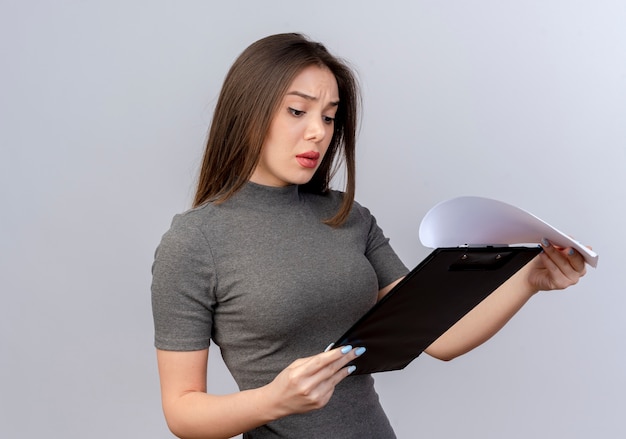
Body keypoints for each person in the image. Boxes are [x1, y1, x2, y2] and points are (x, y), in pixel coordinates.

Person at [151, 33, 587, 439]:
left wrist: (530, 280)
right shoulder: (195, 242)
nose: (318, 132)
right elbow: (182, 410)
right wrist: (273, 400)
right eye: (297, 111)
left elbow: (440, 339)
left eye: (329, 116)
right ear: (248, 111)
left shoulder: (349, 217)